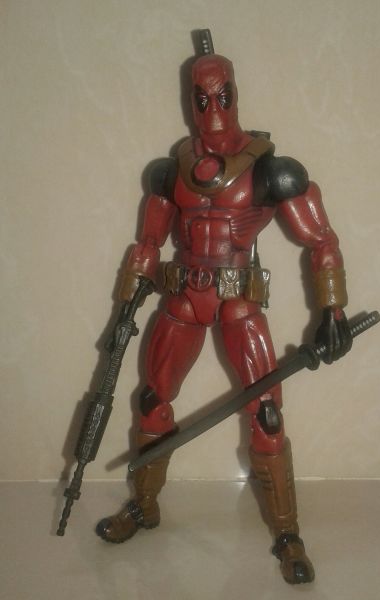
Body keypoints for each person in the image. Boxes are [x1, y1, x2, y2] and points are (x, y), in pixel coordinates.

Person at [96, 31, 352, 585]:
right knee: (151, 401)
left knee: (266, 414)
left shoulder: (271, 168)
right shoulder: (171, 171)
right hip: (183, 301)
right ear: (191, 100)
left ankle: (286, 533)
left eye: (221, 95)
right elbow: (148, 244)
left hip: (238, 304)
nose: (212, 108)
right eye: (201, 97)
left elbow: (321, 240)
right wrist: (124, 309)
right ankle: (144, 504)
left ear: (234, 93)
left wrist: (332, 309)